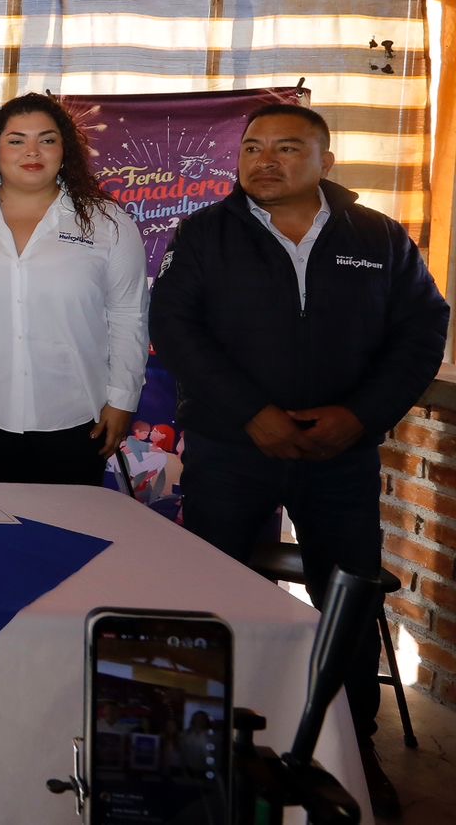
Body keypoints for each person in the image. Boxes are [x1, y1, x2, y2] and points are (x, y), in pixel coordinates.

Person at [150, 102, 449, 816]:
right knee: (213, 596)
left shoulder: (378, 237)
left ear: (326, 162)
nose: (264, 161)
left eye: (286, 148)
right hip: (232, 450)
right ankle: (203, 745)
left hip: (339, 455)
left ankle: (351, 750)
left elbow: (421, 331)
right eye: (252, 148)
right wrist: (251, 413)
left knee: (346, 604)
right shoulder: (205, 234)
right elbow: (176, 328)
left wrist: (361, 416)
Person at [0, 93, 148, 486]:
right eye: (16, 140)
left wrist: (123, 399)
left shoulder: (107, 222)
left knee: (71, 525)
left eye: (46, 139)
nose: (32, 151)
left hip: (77, 418)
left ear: (65, 150)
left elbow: (128, 314)